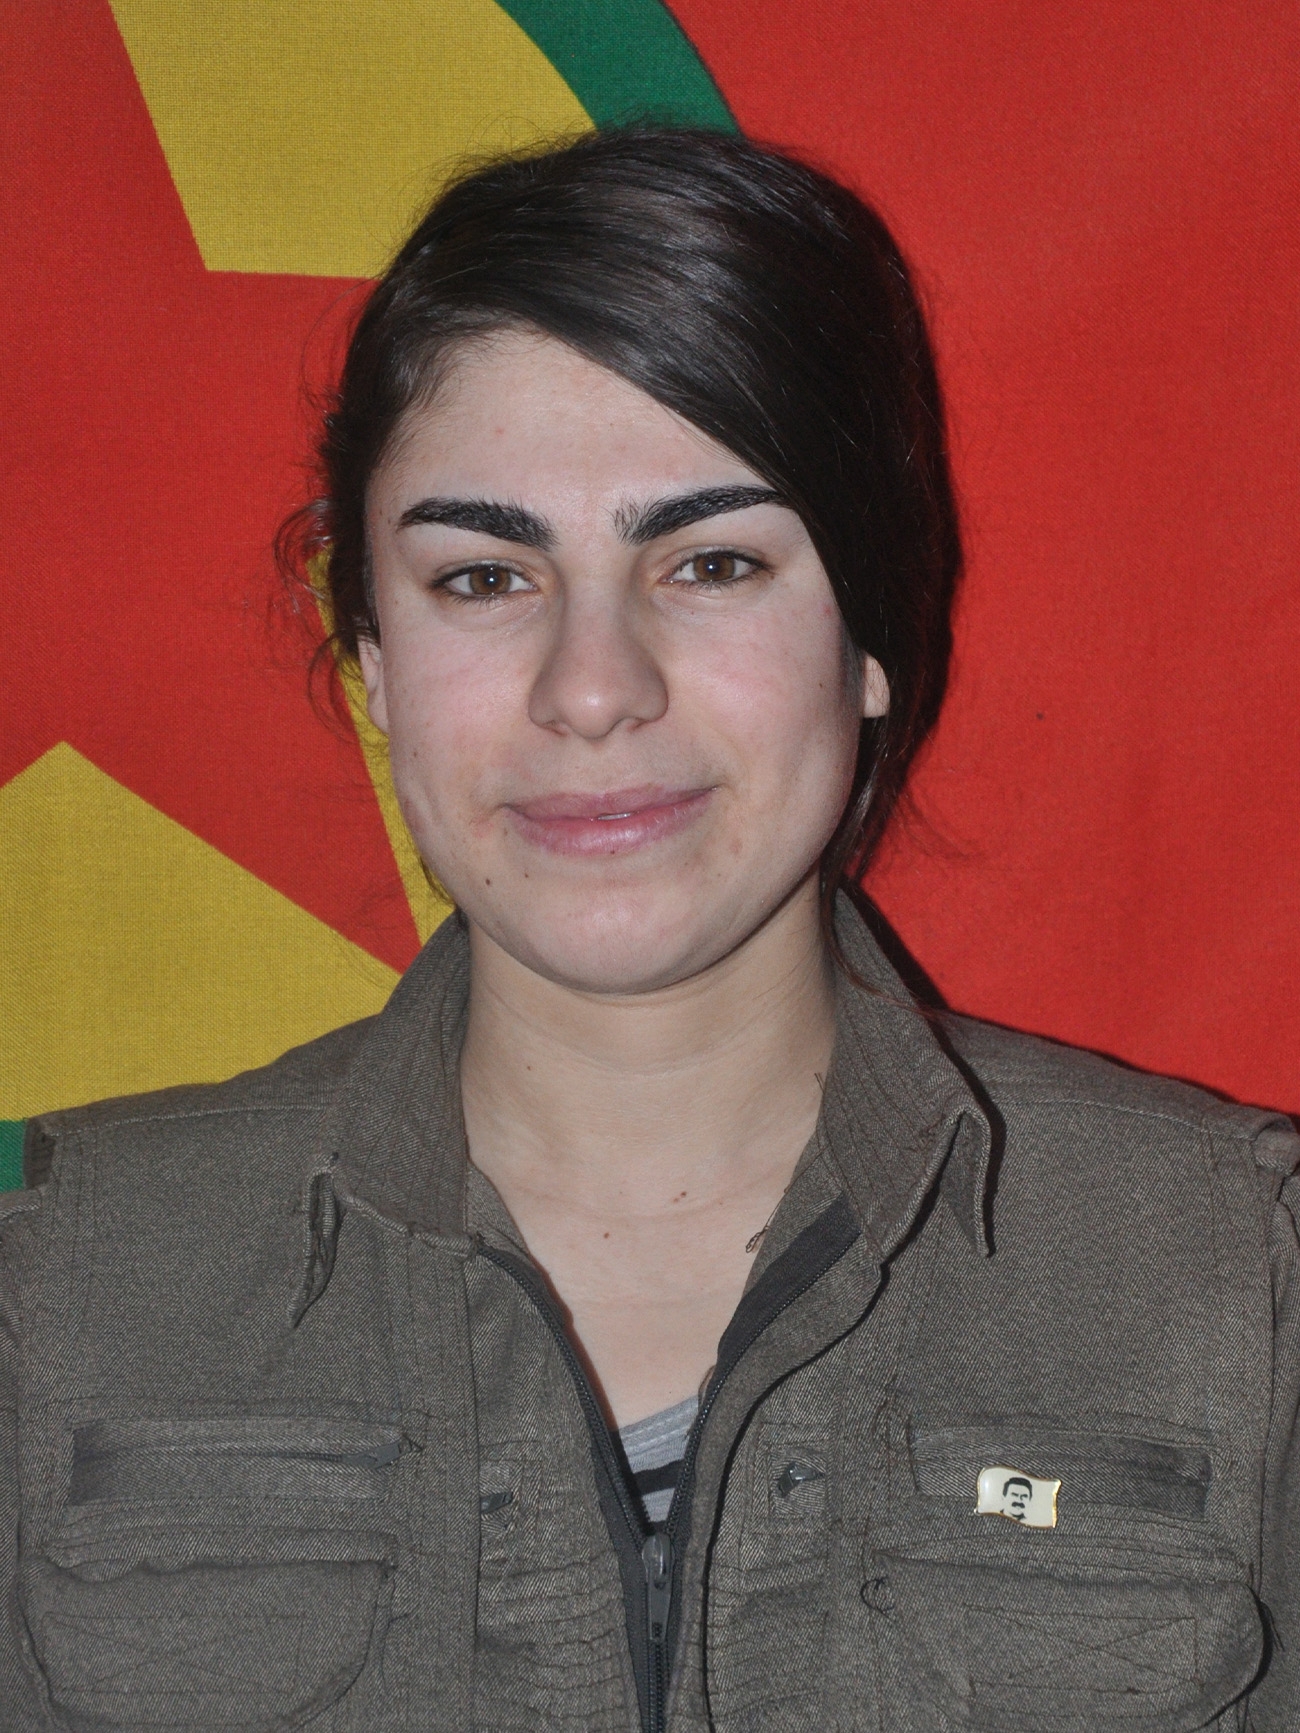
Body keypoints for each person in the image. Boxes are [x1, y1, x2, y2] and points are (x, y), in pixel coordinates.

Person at [2, 126, 1297, 1733]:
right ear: (377, 657)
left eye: (712, 560)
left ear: (871, 635)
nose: (593, 687)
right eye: (484, 578)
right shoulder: (70, 1295)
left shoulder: (1229, 1280)